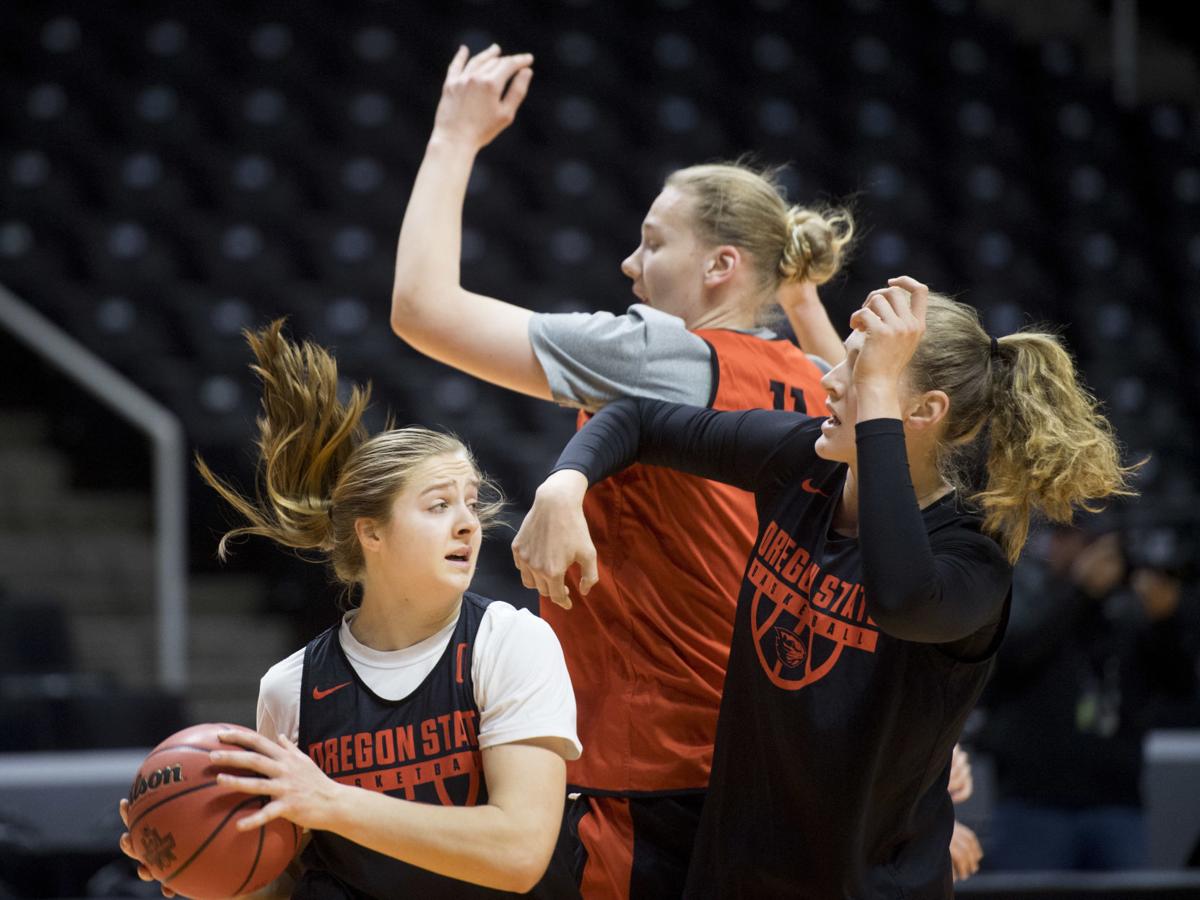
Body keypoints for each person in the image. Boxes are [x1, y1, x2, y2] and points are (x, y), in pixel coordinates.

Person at [390, 44, 852, 897]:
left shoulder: (665, 354)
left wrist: (455, 136)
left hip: (648, 764)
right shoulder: (816, 383)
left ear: (722, 267)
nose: (630, 266)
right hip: (774, 760)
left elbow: (423, 310)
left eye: (652, 242)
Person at [512, 277, 1135, 897]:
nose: (831, 380)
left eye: (860, 372)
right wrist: (565, 483)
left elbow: (899, 598)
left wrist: (877, 403)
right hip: (734, 876)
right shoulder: (801, 464)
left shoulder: (973, 558)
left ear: (921, 412)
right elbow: (639, 419)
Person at [119, 320, 582, 898]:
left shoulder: (511, 642)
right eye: (438, 505)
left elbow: (519, 851)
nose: (468, 521)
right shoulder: (290, 690)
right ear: (372, 534)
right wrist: (196, 861)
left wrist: (332, 801)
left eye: (471, 502)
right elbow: (284, 878)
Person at [979, 521, 1199, 871]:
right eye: (1067, 537)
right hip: (1034, 803)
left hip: (1117, 803)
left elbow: (1180, 685)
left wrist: (1166, 622)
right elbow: (1012, 657)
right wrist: (1080, 591)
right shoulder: (1024, 588)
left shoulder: (1130, 611)